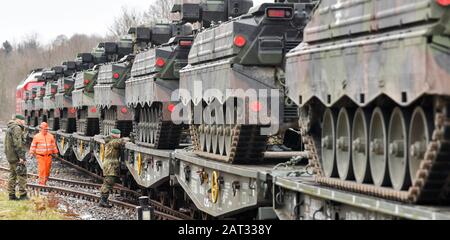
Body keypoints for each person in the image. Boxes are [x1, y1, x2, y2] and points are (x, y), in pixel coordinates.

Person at [4, 114, 28, 200]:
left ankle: (11, 195)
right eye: (23, 120)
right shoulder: (17, 128)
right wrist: (21, 157)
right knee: (21, 174)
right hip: (16, 156)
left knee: (12, 175)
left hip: (10, 156)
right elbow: (18, 144)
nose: (24, 122)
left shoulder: (10, 127)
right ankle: (23, 195)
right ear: (19, 120)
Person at [99, 129, 125, 208]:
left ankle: (103, 200)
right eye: (119, 134)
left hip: (111, 164)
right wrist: (126, 139)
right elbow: (119, 142)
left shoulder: (110, 141)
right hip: (110, 165)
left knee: (109, 182)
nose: (120, 135)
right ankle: (103, 201)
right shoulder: (112, 142)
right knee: (108, 183)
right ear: (115, 135)